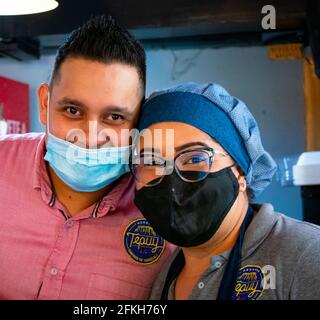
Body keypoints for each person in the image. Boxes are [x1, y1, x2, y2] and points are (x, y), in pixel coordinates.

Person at [0, 15, 173, 300]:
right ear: (45, 104)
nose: (90, 137)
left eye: (114, 117)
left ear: (139, 120)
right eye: (73, 111)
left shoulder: (163, 210)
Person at [130, 82, 320, 300]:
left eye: (195, 158)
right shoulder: (165, 278)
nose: (172, 182)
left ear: (240, 170)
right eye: (151, 161)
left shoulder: (305, 255)